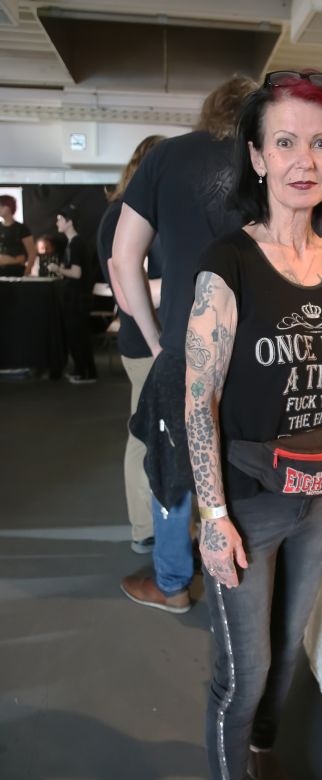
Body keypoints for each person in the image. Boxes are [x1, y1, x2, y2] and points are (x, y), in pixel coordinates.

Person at [184, 71, 322, 780]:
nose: (304, 160)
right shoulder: (228, 263)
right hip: (249, 503)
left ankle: (261, 752)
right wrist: (213, 515)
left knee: (289, 650)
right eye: (285, 142)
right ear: (258, 158)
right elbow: (198, 399)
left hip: (317, 496)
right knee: (245, 672)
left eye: (321, 143)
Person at [111, 75, 257, 613]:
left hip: (183, 344)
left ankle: (173, 583)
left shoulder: (165, 157)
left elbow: (124, 259)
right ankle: (243, 583)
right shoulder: (271, 156)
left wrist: (155, 338)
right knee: (247, 467)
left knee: (174, 468)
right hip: (257, 348)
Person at [97, 135, 165, 554]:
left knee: (149, 436)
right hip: (144, 344)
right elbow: (127, 291)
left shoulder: (137, 213)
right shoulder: (121, 217)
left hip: (153, 342)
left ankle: (151, 527)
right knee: (143, 438)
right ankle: (144, 527)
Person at [50, 204, 97, 384]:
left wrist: (58, 269)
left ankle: (85, 372)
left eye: (60, 219)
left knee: (78, 336)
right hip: (77, 297)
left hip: (78, 299)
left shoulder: (76, 244)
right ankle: (83, 370)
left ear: (69, 222)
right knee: (78, 336)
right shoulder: (74, 243)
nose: (57, 223)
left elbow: (77, 273)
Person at [0, 194, 37, 276]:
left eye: (1, 206)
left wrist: (26, 273)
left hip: (16, 272)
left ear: (8, 207)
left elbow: (32, 253)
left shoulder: (21, 228)